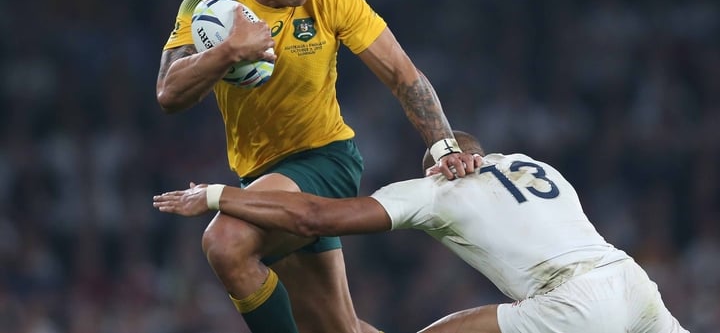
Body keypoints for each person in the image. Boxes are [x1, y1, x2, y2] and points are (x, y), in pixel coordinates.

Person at [155, 0, 477, 333]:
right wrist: (230, 50)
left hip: (325, 160)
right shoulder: (211, 0)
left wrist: (443, 146)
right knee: (334, 328)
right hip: (261, 175)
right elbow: (169, 92)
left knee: (225, 242)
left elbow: (404, 75)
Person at [154, 131, 690, 333]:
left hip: (572, 304)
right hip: (631, 282)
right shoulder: (531, 164)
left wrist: (217, 196)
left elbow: (313, 218)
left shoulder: (433, 189)